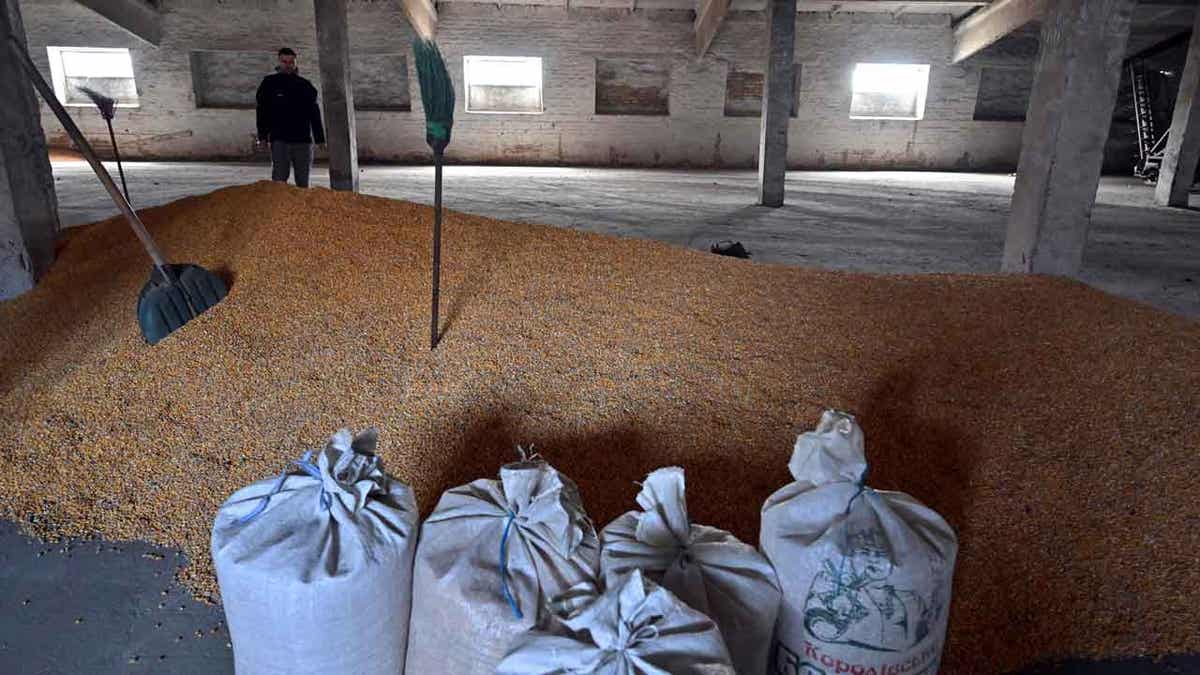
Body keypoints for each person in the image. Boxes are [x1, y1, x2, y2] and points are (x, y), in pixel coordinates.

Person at [255, 47, 324, 188]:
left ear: (295, 63)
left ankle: (299, 210)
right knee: (279, 181)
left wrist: (320, 139)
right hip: (280, 141)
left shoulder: (305, 86)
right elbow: (262, 112)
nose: (288, 65)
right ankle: (278, 209)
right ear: (279, 62)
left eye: (291, 62)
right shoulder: (269, 84)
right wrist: (262, 137)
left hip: (303, 141)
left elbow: (314, 114)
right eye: (284, 61)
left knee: (303, 182)